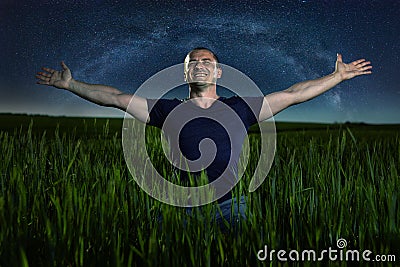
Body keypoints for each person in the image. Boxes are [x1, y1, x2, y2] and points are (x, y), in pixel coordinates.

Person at [36, 47, 372, 228]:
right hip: (177, 208)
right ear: (185, 73)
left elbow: (295, 93)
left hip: (232, 209)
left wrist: (335, 77)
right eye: (193, 62)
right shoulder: (167, 110)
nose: (200, 64)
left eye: (207, 61)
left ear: (218, 72)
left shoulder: (241, 108)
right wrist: (71, 85)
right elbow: (115, 97)